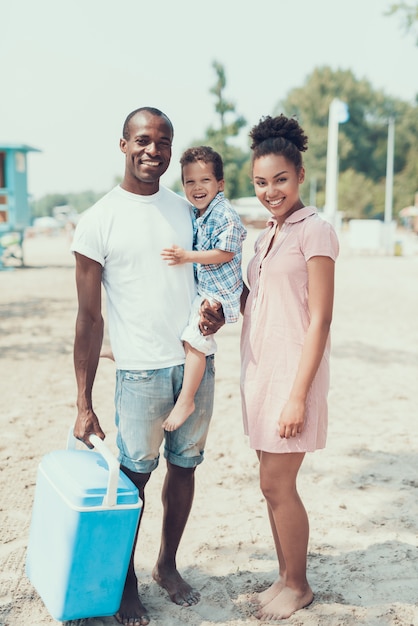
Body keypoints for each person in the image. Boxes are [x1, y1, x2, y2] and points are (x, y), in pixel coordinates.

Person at [71, 107, 224, 626]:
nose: (152, 151)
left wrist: (216, 314)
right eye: (142, 140)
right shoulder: (97, 220)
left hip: (194, 363)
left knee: (185, 468)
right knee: (132, 482)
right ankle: (125, 580)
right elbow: (89, 320)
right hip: (138, 373)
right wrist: (83, 403)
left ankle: (167, 564)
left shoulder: (188, 211)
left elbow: (211, 280)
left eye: (163, 142)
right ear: (122, 145)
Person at [240, 114, 339, 620]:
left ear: (299, 175)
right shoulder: (265, 237)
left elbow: (320, 320)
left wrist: (298, 394)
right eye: (260, 182)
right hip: (261, 376)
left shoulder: (315, 230)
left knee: (280, 484)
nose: (270, 191)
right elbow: (260, 305)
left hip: (292, 378)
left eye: (280, 179)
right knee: (268, 484)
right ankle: (284, 577)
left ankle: (298, 585)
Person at [160, 146, 246, 431]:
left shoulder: (224, 214)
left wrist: (187, 256)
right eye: (190, 182)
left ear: (220, 184)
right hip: (206, 287)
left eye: (205, 181)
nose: (197, 188)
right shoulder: (199, 212)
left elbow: (226, 252)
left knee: (197, 340)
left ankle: (186, 400)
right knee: (185, 334)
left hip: (218, 292)